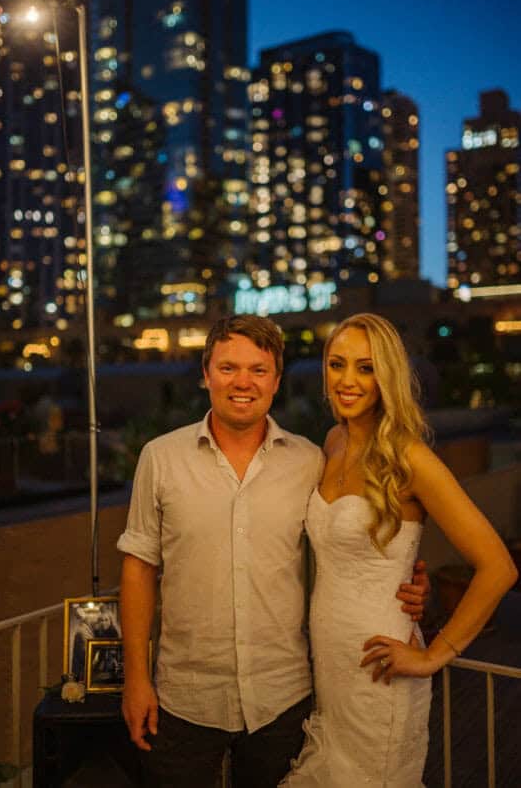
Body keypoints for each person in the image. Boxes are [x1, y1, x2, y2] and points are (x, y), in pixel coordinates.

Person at [117, 314, 429, 788]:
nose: (243, 382)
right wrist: (136, 679)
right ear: (206, 374)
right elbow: (139, 567)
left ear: (276, 381)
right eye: (228, 368)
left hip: (282, 699)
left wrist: (402, 583)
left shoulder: (309, 460)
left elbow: (349, 541)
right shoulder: (160, 458)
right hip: (184, 697)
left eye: (258, 370)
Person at [280, 313, 517, 787]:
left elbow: (498, 567)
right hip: (329, 668)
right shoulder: (333, 441)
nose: (348, 380)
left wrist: (435, 655)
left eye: (365, 368)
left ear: (387, 376)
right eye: (338, 364)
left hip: (381, 671)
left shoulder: (411, 457)